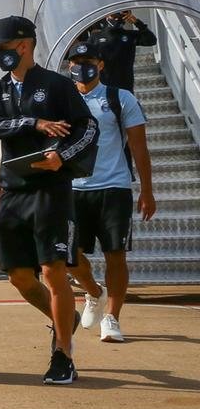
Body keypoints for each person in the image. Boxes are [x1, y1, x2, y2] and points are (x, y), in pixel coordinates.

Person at [0, 16, 99, 385]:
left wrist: (62, 156)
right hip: (13, 190)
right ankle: (66, 319)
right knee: (19, 278)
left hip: (50, 190)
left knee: (53, 270)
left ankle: (63, 353)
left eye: (3, 48)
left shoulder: (56, 85)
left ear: (24, 46)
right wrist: (33, 123)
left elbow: (88, 127)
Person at [64, 40, 155, 343]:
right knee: (70, 256)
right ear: (69, 66)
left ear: (101, 64)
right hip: (73, 188)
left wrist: (147, 190)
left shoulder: (120, 98)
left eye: (89, 60)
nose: (82, 65)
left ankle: (112, 318)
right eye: (76, 61)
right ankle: (93, 292)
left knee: (115, 254)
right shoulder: (62, 99)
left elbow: (139, 147)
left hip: (113, 186)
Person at [88, 10, 157, 91]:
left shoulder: (130, 35)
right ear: (106, 16)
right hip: (102, 87)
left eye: (120, 17)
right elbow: (86, 58)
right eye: (114, 17)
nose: (117, 19)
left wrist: (136, 22)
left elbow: (151, 40)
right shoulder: (96, 36)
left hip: (125, 87)